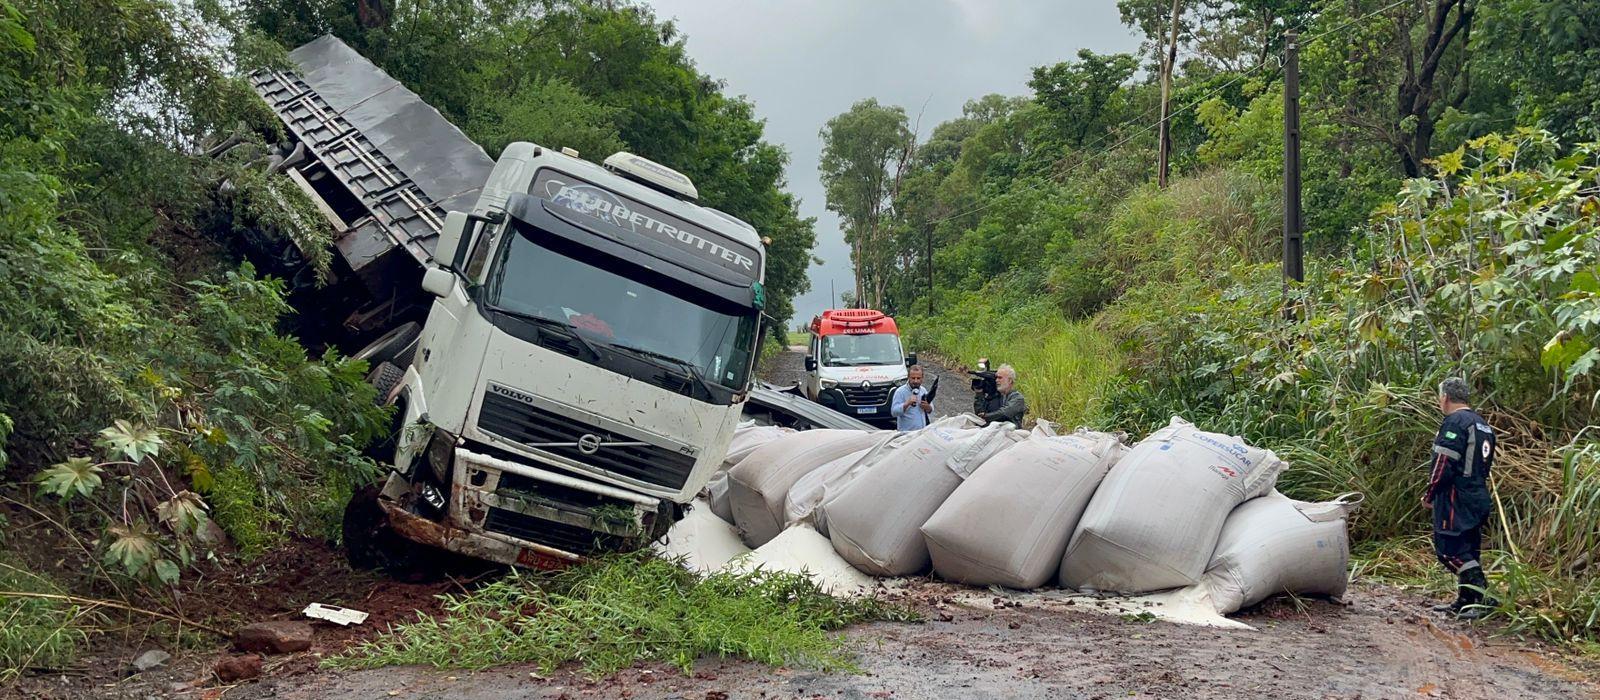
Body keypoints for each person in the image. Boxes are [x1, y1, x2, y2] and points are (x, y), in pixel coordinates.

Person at [1424, 377, 1499, 619]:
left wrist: (1430, 493)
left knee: (1449, 550)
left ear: (1445, 397)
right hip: (1478, 494)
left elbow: (1443, 462)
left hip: (1456, 496)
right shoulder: (1482, 424)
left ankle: (1484, 596)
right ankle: (1466, 600)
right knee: (1469, 549)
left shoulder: (1455, 422)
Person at [890, 365, 933, 431]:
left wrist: (928, 407)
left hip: (921, 432)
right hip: (906, 434)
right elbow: (894, 412)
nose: (916, 381)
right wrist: (907, 404)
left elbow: (931, 409)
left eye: (918, 378)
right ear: (908, 377)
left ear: (922, 378)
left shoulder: (923, 390)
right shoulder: (900, 392)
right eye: (913, 378)